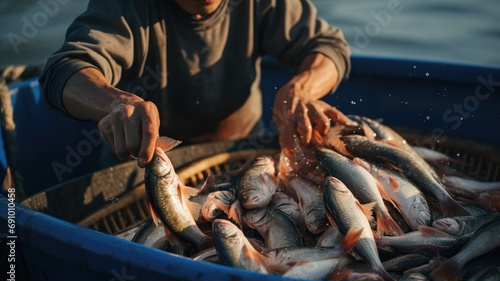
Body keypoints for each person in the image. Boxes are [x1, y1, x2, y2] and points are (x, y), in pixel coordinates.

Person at [40, 0, 350, 168]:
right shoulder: (127, 7)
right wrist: (115, 103)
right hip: (145, 168)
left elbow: (329, 47)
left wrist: (302, 88)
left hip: (241, 159)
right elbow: (63, 71)